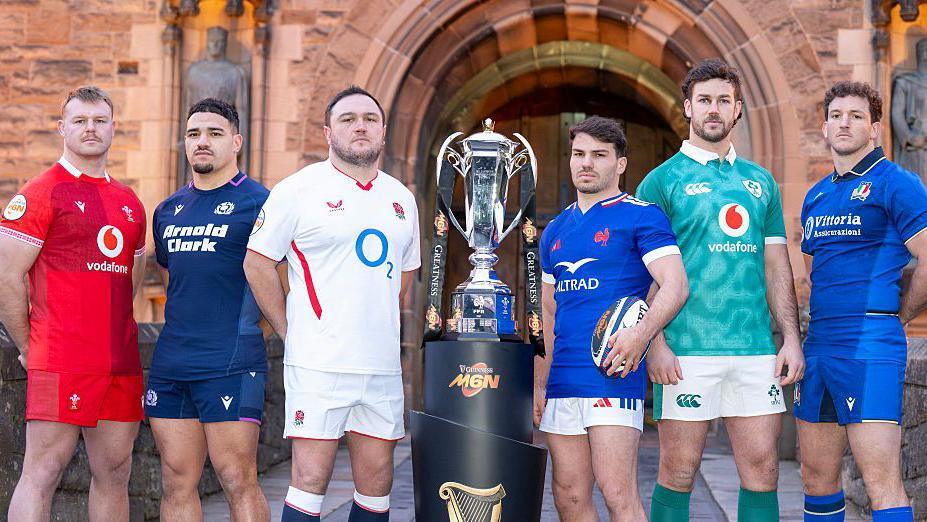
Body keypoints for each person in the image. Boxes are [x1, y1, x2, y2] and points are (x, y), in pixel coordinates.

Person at [635, 58, 804, 522]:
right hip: (686, 350)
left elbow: (776, 267)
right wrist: (655, 342)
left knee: (763, 470)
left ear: (738, 110)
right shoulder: (661, 181)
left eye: (723, 101)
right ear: (687, 108)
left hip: (753, 350)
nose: (714, 109)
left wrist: (789, 337)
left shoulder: (762, 181)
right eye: (704, 100)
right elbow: (646, 274)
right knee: (678, 471)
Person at [244, 85, 420, 522]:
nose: (359, 126)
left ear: (383, 131)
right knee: (311, 479)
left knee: (378, 483)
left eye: (369, 119)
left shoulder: (402, 198)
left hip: (379, 364)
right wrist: (290, 330)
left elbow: (405, 272)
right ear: (328, 132)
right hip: (319, 362)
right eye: (347, 119)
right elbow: (257, 263)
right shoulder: (298, 190)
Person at [0, 86, 147, 521]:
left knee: (116, 472)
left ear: (113, 129)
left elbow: (130, 282)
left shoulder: (130, 203)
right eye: (80, 121)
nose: (90, 129)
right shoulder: (41, 192)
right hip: (60, 357)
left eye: (99, 121)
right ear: (61, 128)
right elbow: (7, 277)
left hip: (119, 361)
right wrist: (29, 346)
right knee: (42, 471)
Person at [534, 116, 689, 520]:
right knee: (568, 495)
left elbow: (675, 286)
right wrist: (538, 382)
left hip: (613, 373)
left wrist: (642, 337)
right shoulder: (553, 231)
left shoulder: (642, 216)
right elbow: (548, 311)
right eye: (579, 154)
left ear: (620, 163)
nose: (587, 163)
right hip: (564, 379)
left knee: (617, 489)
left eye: (599, 155)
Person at [796, 81, 927, 522]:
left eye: (855, 116)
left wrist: (899, 316)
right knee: (816, 479)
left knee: (880, 484)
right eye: (836, 116)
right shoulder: (815, 196)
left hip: (870, 346)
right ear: (825, 128)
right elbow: (819, 272)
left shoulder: (897, 183)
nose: (844, 123)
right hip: (819, 348)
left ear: (874, 128)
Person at [147, 98, 270, 521]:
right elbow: (173, 282)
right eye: (194, 134)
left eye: (215, 133)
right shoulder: (166, 211)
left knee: (237, 477)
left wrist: (253, 336)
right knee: (175, 479)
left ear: (236, 142)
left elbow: (282, 283)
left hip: (231, 360)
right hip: (172, 362)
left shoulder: (261, 203)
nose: (203, 142)